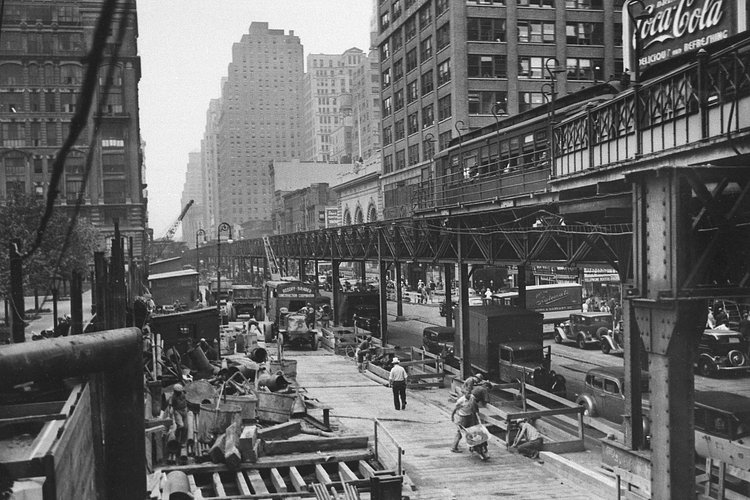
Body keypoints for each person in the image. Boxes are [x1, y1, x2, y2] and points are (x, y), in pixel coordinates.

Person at [450, 392, 487, 459]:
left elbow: (475, 408)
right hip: (463, 417)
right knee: (460, 432)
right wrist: (452, 416)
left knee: (472, 432)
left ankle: (473, 447)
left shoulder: (472, 398)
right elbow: (456, 409)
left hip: (470, 416)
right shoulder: (461, 400)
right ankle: (454, 447)